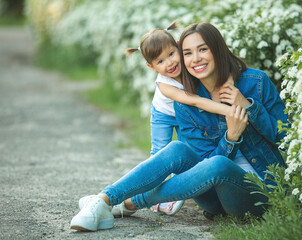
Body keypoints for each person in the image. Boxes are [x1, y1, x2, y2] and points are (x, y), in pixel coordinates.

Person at [70, 22, 288, 232]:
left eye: (203, 49)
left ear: (218, 49)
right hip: (214, 200)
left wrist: (249, 107)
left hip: (260, 193)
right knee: (177, 150)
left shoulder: (256, 83)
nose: (196, 59)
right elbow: (202, 167)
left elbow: (286, 138)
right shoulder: (186, 103)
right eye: (188, 53)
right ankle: (102, 201)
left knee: (219, 164)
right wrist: (230, 138)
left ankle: (128, 202)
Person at [124, 21, 232, 215]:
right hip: (163, 115)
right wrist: (227, 110)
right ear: (151, 67)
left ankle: (176, 191)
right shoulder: (164, 84)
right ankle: (145, 194)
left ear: (178, 48)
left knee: (185, 150)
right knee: (159, 153)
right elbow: (195, 101)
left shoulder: (193, 67)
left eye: (172, 54)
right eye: (160, 62)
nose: (170, 63)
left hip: (186, 114)